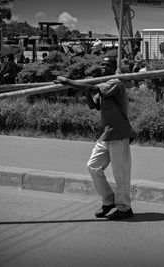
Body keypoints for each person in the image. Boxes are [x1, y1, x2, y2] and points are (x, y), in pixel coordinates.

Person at [55, 56, 134, 220]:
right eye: (102, 65)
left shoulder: (115, 82)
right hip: (106, 134)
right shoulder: (102, 84)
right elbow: (95, 105)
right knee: (93, 167)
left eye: (107, 65)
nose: (104, 67)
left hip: (119, 134)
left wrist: (68, 81)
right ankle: (108, 200)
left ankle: (125, 208)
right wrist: (84, 89)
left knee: (121, 174)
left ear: (113, 68)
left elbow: (94, 90)